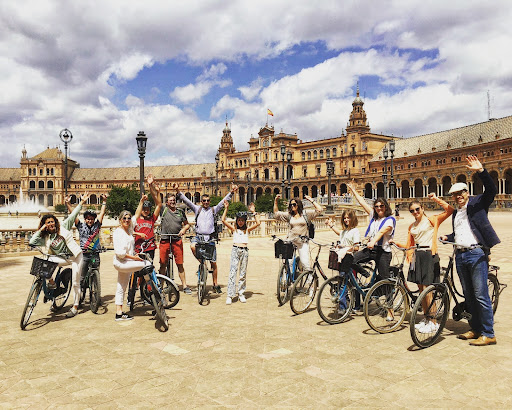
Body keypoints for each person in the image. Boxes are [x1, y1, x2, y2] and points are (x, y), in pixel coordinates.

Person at [442, 155, 500, 346]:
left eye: (461, 193)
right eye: (455, 194)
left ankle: (488, 333)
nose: (458, 196)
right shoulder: (457, 213)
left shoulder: (478, 203)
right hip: (461, 254)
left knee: (480, 294)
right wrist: (448, 238)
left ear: (467, 192)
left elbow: (492, 190)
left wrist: (481, 171)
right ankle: (475, 328)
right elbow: (460, 232)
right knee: (468, 295)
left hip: (476, 254)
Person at [393, 193, 453, 332]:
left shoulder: (432, 220)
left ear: (423, 208)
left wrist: (436, 199)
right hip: (417, 256)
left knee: (428, 290)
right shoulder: (411, 226)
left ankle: (433, 321)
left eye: (417, 209)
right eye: (412, 211)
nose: (415, 212)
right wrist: (396, 243)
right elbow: (409, 244)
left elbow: (450, 210)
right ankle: (426, 318)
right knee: (421, 289)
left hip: (428, 255)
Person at [174, 182, 238, 294]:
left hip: (210, 237)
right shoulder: (197, 209)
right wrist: (178, 191)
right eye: (204, 201)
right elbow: (187, 201)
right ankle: (202, 263)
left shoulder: (213, 209)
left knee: (213, 262)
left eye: (208, 200)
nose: (206, 202)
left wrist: (231, 192)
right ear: (201, 202)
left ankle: (215, 284)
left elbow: (223, 202)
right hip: (199, 237)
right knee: (192, 246)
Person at [29, 194, 86, 318]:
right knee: (45, 260)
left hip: (75, 256)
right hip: (61, 258)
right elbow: (32, 242)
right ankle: (52, 283)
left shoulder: (64, 227)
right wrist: (42, 229)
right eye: (48, 223)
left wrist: (81, 202)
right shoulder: (45, 236)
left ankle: (75, 306)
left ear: (56, 222)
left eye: (52, 221)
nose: (51, 224)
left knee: (76, 282)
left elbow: (73, 215)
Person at [347, 181, 395, 311]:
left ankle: (390, 310)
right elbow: (362, 203)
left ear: (385, 207)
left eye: (381, 206)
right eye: (377, 206)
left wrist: (373, 240)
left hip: (383, 252)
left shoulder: (390, 219)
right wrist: (353, 190)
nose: (379, 208)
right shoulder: (373, 216)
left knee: (385, 280)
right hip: (371, 249)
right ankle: (366, 274)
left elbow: (382, 231)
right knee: (351, 259)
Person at [221, 201, 261, 305]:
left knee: (243, 273)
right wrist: (226, 208)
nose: (240, 222)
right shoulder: (234, 229)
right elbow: (223, 220)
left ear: (245, 221)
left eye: (242, 220)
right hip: (235, 250)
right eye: (239, 220)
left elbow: (258, 223)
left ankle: (241, 293)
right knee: (232, 272)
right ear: (236, 221)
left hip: (244, 251)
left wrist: (253, 212)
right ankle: (230, 295)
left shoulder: (246, 230)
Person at [112, 210, 149, 321]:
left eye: (128, 218)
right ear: (120, 220)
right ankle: (151, 289)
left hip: (126, 261)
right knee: (147, 264)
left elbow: (136, 215)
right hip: (122, 262)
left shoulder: (129, 229)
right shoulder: (118, 232)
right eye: (124, 218)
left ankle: (119, 313)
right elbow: (120, 254)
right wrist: (135, 258)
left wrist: (142, 201)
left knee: (121, 286)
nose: (127, 220)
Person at [66, 193, 108, 286]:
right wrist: (68, 204)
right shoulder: (80, 226)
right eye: (88, 219)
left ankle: (95, 294)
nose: (90, 221)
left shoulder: (97, 225)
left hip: (95, 253)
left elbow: (102, 213)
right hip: (84, 254)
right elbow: (73, 215)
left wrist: (104, 201)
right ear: (85, 219)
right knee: (82, 277)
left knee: (96, 273)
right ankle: (80, 294)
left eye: (92, 219)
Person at [272, 194, 323, 270]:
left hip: (302, 241)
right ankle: (288, 280)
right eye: (291, 204)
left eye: (294, 204)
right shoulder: (289, 215)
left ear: (298, 205)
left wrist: (311, 200)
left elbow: (319, 210)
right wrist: (276, 201)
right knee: (289, 263)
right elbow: (276, 214)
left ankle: (309, 279)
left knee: (305, 263)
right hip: (291, 241)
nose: (292, 206)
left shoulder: (306, 214)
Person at [325, 210, 360, 315]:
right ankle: (343, 306)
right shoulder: (345, 232)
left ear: (353, 218)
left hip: (350, 259)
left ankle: (355, 305)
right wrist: (331, 226)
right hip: (342, 259)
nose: (346, 220)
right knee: (342, 282)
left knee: (354, 284)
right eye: (344, 218)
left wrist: (346, 248)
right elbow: (339, 233)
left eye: (348, 218)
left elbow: (357, 247)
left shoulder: (355, 231)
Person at [159, 193, 191, 294]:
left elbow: (187, 225)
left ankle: (184, 285)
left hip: (176, 240)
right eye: (170, 200)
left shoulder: (180, 212)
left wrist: (183, 230)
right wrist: (153, 188)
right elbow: (157, 201)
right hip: (165, 239)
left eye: (173, 200)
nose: (172, 202)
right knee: (163, 264)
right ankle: (161, 285)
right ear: (167, 202)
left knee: (180, 264)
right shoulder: (163, 210)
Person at [133, 174, 162, 260]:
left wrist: (152, 188)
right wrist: (138, 234)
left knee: (149, 267)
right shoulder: (135, 220)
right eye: (144, 209)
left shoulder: (152, 219)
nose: (146, 211)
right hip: (138, 247)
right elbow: (128, 232)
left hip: (150, 247)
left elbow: (159, 205)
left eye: (148, 209)